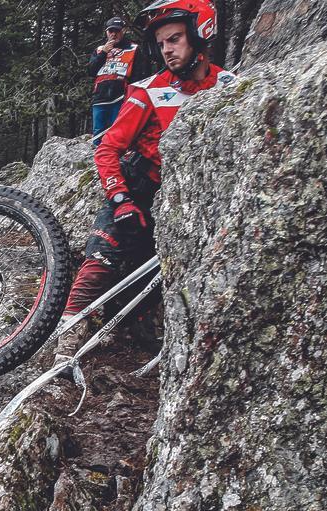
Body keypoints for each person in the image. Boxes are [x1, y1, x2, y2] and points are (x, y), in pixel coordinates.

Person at [58, 0, 237, 359]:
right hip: (138, 189)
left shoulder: (232, 87)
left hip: (190, 205)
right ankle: (67, 335)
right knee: (102, 255)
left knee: (159, 274)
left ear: (200, 36)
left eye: (174, 39)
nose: (167, 50)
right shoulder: (147, 90)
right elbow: (107, 148)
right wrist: (120, 198)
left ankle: (135, 326)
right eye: (161, 43)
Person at [87, 16, 148, 146]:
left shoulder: (133, 49)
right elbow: (91, 71)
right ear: (106, 32)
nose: (113, 34)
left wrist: (131, 95)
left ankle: (119, 156)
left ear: (123, 30)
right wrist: (103, 53)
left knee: (119, 130)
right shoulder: (99, 50)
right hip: (100, 96)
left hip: (121, 96)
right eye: (111, 31)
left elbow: (139, 74)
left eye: (117, 30)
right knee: (98, 131)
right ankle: (96, 159)